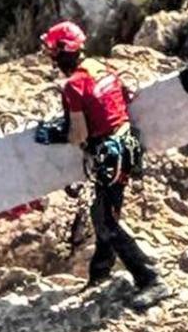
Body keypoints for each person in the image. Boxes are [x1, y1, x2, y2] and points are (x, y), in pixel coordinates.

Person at [37, 21, 166, 304]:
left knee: (107, 222)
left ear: (63, 51)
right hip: (126, 148)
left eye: (52, 51)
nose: (51, 58)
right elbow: (120, 101)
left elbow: (79, 134)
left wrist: (56, 135)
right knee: (102, 214)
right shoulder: (102, 69)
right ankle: (99, 273)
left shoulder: (73, 86)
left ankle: (151, 279)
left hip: (110, 155)